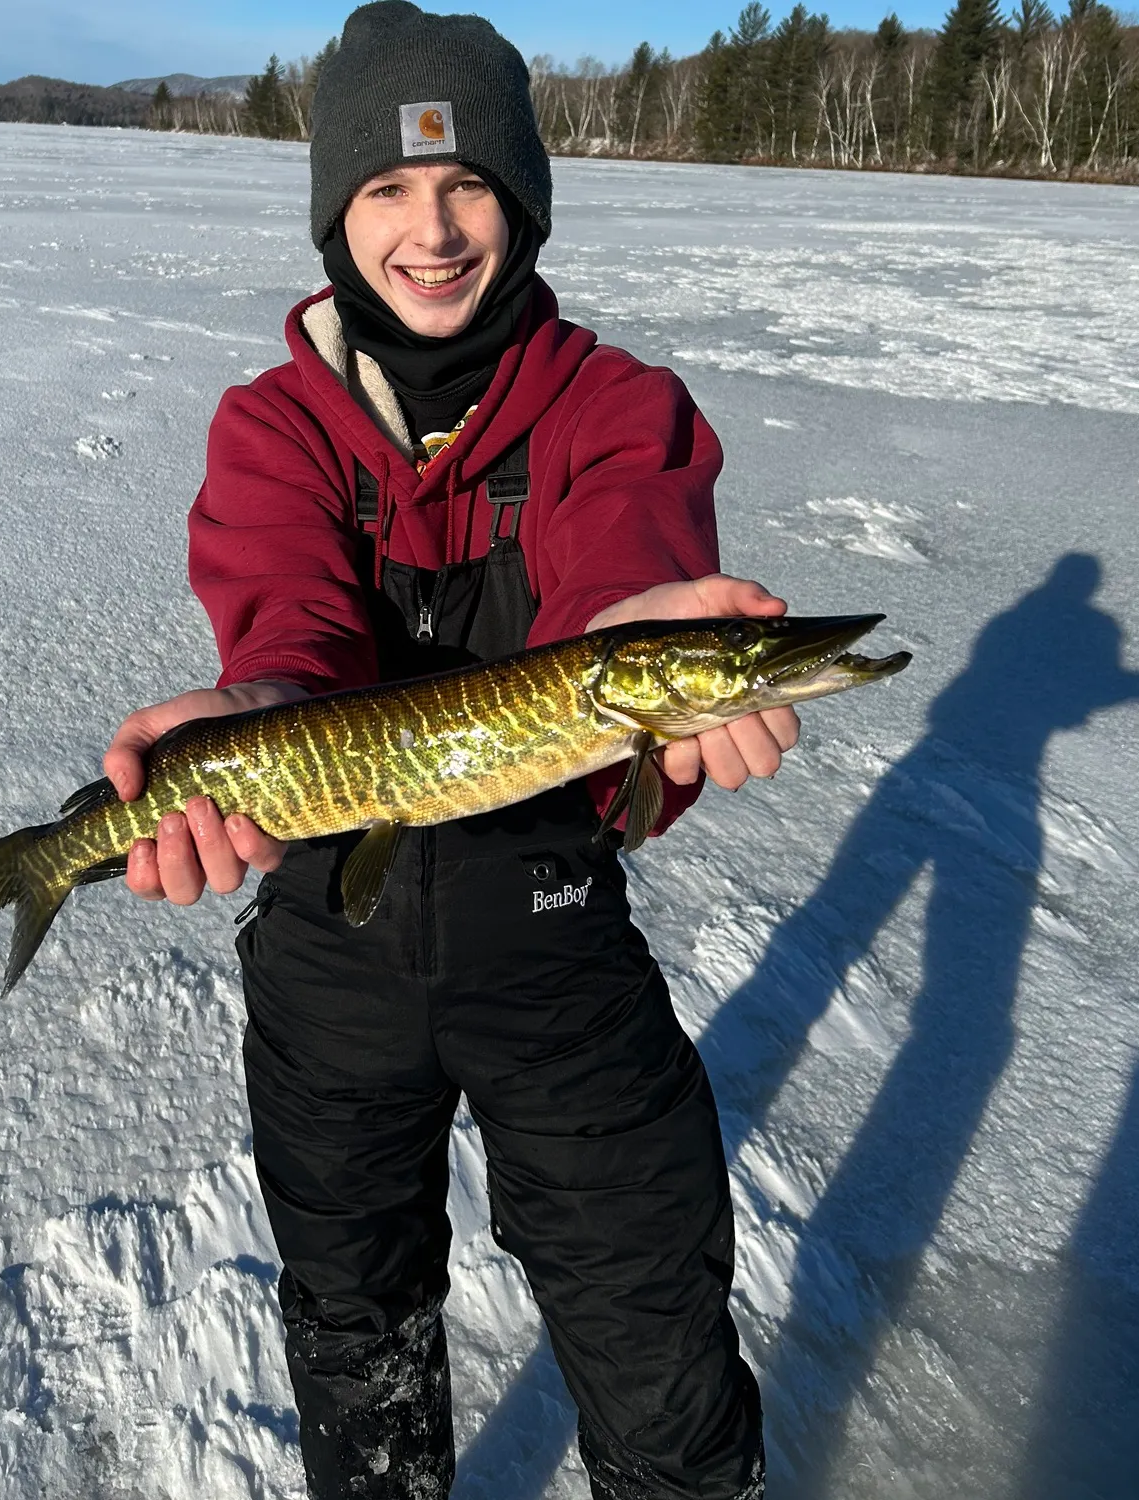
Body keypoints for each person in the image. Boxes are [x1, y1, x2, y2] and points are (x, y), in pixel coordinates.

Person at [104, 5, 798, 1496]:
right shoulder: (276, 426)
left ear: (525, 199)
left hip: (551, 942)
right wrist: (259, 718)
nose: (432, 230)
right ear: (336, 216)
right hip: (328, 958)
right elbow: (288, 617)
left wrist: (644, 628)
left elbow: (623, 563)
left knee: (654, 1331)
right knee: (357, 1333)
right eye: (387, 190)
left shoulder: (617, 410)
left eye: (469, 183)